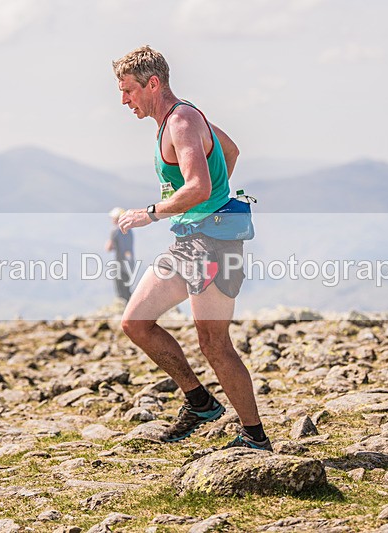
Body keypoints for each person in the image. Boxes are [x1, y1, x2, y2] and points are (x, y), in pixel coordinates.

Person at [112, 45, 272, 451]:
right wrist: (211, 196)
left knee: (215, 345)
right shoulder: (181, 117)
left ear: (152, 83)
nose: (123, 101)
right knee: (135, 322)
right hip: (191, 243)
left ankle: (254, 437)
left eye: (128, 90)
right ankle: (199, 401)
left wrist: (152, 212)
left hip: (214, 245)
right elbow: (230, 151)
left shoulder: (181, 122)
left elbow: (197, 186)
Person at [105, 207, 135, 302]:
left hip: (120, 264)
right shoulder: (129, 230)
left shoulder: (115, 231)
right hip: (130, 263)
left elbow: (108, 248)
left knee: (121, 293)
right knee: (127, 289)